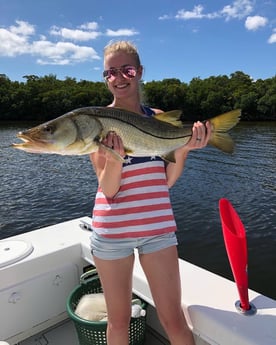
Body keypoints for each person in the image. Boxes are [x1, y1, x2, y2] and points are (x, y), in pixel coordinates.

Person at [90, 40, 211, 345]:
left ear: (140, 72)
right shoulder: (96, 122)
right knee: (118, 322)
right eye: (111, 72)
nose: (119, 78)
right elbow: (109, 189)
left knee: (173, 319)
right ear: (106, 77)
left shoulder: (158, 118)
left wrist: (183, 150)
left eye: (127, 69)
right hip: (112, 231)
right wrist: (115, 159)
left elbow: (165, 183)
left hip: (158, 229)